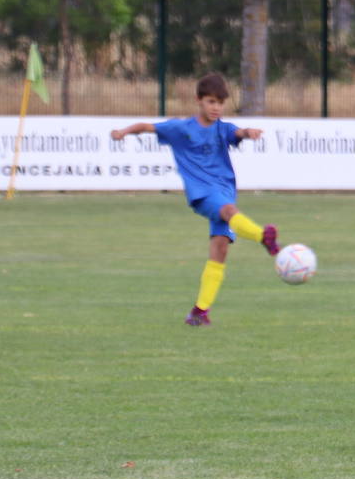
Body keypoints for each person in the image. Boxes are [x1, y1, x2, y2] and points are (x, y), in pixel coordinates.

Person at [112, 72, 280, 326]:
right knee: (228, 210)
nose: (216, 108)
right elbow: (147, 127)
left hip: (224, 190)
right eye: (211, 102)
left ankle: (200, 311)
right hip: (203, 194)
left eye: (221, 103)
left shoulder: (222, 129)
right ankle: (262, 237)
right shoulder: (181, 128)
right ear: (199, 101)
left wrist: (249, 132)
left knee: (220, 248)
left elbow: (239, 133)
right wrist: (123, 131)